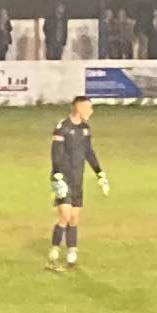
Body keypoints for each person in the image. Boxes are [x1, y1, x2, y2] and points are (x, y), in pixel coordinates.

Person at [47, 108, 109, 268]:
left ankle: (71, 252)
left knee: (74, 218)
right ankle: (54, 250)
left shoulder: (85, 129)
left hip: (77, 179)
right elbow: (55, 153)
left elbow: (89, 153)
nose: (91, 111)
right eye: (89, 108)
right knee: (65, 216)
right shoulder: (63, 127)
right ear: (79, 109)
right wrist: (57, 175)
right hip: (62, 178)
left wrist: (100, 173)